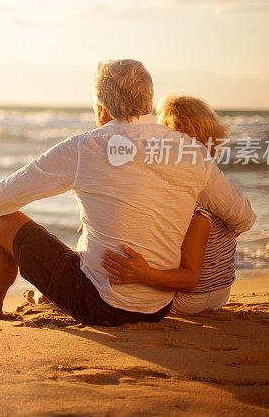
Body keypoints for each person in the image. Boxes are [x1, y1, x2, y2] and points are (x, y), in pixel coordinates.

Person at [0, 59, 256, 326]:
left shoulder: (85, 147)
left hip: (100, 305)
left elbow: (2, 198)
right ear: (148, 100)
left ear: (101, 108)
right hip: (158, 306)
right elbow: (243, 216)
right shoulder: (191, 153)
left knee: (2, 222)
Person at [101, 95, 239, 315]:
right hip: (220, 291)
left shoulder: (196, 207)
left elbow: (190, 278)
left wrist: (143, 274)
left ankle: (46, 297)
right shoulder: (217, 188)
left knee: (110, 282)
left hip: (192, 297)